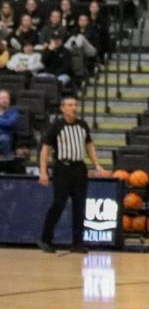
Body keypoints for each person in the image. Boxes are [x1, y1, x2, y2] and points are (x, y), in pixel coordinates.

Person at [39, 95, 106, 252]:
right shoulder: (56, 126)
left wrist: (97, 165)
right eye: (69, 105)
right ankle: (45, 239)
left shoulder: (82, 125)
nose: (73, 108)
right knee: (58, 204)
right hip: (62, 168)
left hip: (79, 168)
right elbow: (45, 150)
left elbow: (89, 146)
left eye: (75, 105)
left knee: (79, 206)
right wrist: (43, 171)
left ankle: (77, 243)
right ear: (62, 108)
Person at [0, 89, 20, 156]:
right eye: (2, 98)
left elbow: (10, 123)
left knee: (3, 139)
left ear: (9, 100)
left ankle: (6, 160)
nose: (4, 100)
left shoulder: (13, 113)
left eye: (6, 98)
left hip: (6, 137)